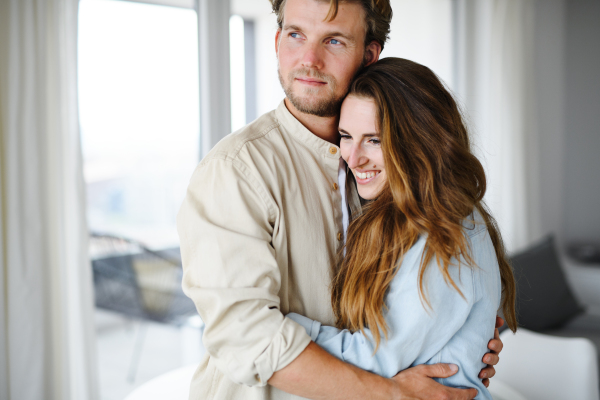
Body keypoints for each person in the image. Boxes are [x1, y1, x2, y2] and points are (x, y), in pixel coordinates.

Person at [177, 1, 505, 399]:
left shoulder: (385, 177)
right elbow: (247, 340)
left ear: (368, 55)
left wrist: (458, 337)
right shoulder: (235, 171)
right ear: (278, 41)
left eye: (333, 40)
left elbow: (411, 311)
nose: (309, 59)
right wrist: (392, 393)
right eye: (296, 35)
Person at [287, 57, 518, 400]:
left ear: (419, 142)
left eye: (375, 140)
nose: (352, 158)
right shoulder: (396, 215)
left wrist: (280, 327)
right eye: (347, 136)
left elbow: (375, 359)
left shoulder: (446, 237)